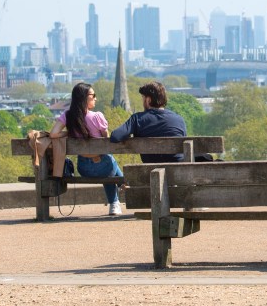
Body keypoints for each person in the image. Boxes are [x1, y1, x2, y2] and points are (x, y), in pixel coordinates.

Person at [50, 82, 125, 215]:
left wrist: (69, 132)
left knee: (109, 163)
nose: (96, 98)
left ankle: (122, 188)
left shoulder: (68, 116)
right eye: (93, 95)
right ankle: (117, 197)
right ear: (85, 97)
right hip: (104, 166)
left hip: (83, 168)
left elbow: (53, 134)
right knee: (108, 161)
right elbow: (105, 140)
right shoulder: (97, 116)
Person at [110, 81, 188, 163]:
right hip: (178, 171)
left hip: (151, 171)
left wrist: (130, 133)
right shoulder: (179, 119)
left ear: (148, 100)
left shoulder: (137, 119)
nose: (142, 101)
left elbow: (115, 136)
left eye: (143, 97)